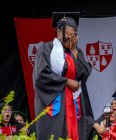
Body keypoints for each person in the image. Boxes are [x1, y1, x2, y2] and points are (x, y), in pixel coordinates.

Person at [33, 12, 102, 140]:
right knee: (55, 134)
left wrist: (74, 49)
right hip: (55, 103)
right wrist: (66, 81)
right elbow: (41, 76)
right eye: (67, 32)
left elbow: (85, 73)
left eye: (73, 33)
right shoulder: (47, 48)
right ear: (58, 32)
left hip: (75, 101)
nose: (70, 36)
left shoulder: (77, 51)